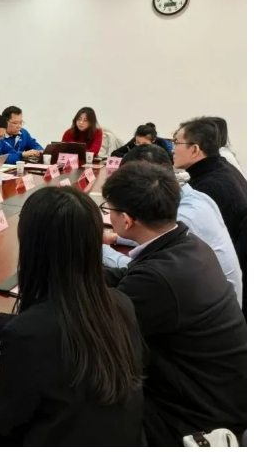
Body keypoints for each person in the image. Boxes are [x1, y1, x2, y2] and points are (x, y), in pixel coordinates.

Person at [0, 186, 145, 446]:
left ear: (32, 247)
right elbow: (61, 327)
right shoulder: (120, 303)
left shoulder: (28, 334)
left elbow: (8, 422)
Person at [101, 162, 247, 446]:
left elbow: (97, 327)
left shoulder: (159, 278)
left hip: (197, 416)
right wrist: (78, 272)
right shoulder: (188, 244)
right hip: (222, 393)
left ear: (127, 220)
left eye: (110, 210)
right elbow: (128, 276)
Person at [102, 145, 243, 307]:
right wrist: (115, 238)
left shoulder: (185, 218)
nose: (174, 149)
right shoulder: (188, 222)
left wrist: (98, 249)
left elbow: (139, 275)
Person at [172, 117, 247, 316]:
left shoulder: (208, 188)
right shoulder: (221, 168)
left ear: (194, 149)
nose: (172, 149)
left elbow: (170, 235)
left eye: (176, 143)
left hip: (222, 292)